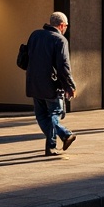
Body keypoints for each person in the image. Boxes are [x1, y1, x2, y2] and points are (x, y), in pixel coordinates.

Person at [25, 12, 76, 156]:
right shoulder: (60, 40)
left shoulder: (35, 35)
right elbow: (63, 66)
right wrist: (70, 86)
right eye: (66, 26)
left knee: (41, 115)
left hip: (33, 82)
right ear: (61, 25)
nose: (66, 28)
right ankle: (62, 136)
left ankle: (52, 145)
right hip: (51, 84)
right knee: (55, 113)